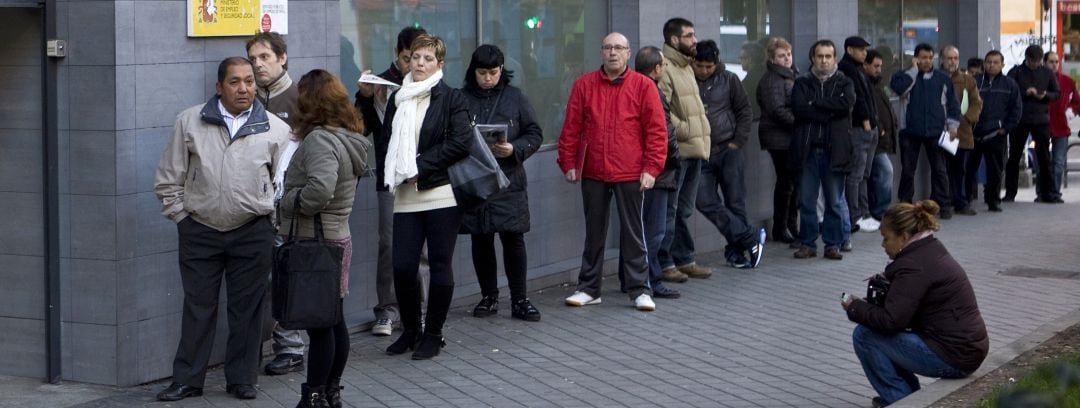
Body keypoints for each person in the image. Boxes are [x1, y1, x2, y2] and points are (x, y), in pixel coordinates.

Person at [153, 57, 291, 401]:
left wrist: (270, 221)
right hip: (199, 228)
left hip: (252, 229)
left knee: (248, 310)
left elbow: (282, 184)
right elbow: (170, 176)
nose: (244, 88)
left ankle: (242, 379)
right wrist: (181, 217)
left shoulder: (274, 128)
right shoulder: (190, 121)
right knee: (198, 307)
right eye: (235, 82)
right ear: (219, 87)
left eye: (249, 81)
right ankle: (187, 380)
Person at [278, 69, 370, 408]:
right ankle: (331, 391)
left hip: (317, 243)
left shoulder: (319, 140)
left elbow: (320, 190)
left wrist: (287, 200)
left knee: (320, 325)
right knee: (333, 320)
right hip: (337, 239)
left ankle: (314, 395)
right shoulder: (346, 136)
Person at [378, 34, 472, 361]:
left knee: (440, 265)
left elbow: (461, 143)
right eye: (415, 57)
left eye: (428, 59)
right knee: (403, 266)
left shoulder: (451, 98)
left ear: (440, 65)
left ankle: (433, 333)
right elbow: (388, 141)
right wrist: (392, 172)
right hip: (405, 193)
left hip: (441, 192)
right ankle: (411, 330)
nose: (419, 64)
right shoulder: (398, 97)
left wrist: (418, 166)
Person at [557, 32, 667, 311]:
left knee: (633, 232)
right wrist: (568, 162)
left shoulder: (643, 86)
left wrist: (652, 168)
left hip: (631, 171)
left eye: (618, 48)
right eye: (607, 48)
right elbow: (571, 127)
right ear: (601, 52)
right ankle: (589, 288)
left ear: (629, 53)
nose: (613, 53)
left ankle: (640, 289)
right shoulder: (584, 85)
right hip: (594, 170)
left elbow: (656, 131)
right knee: (594, 232)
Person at [842, 200, 989, 407]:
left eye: (886, 238)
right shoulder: (928, 249)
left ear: (903, 237)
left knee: (865, 336)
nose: (883, 245)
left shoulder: (913, 266)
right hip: (965, 348)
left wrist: (855, 307)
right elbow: (903, 312)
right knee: (881, 335)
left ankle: (901, 401)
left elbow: (892, 321)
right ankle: (909, 395)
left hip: (955, 356)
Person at [459, 44, 545, 321]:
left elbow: (534, 132)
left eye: (493, 73)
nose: (487, 78)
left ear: (501, 71)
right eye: (482, 73)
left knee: (513, 239)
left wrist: (515, 148)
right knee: (481, 239)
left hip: (508, 179)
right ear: (473, 72)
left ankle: (520, 298)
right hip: (476, 180)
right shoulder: (461, 99)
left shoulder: (515, 97)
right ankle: (489, 296)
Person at [355, 26, 429, 337]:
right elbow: (358, 130)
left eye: (421, 58)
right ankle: (387, 310)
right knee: (390, 244)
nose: (415, 64)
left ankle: (420, 310)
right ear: (398, 54)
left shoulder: (431, 84)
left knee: (422, 248)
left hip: (423, 175)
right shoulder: (381, 85)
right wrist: (364, 98)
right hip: (390, 176)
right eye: (408, 57)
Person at [245, 30, 307, 378]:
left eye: (265, 57)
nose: (258, 65)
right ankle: (252, 344)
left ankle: (290, 346)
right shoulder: (248, 97)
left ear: (282, 58)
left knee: (285, 275)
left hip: (287, 203)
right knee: (256, 276)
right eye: (253, 59)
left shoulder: (300, 98)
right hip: (251, 201)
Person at [693, 39, 764, 268]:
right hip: (701, 153)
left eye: (708, 66)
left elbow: (744, 110)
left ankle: (737, 253)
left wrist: (738, 142)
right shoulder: (689, 80)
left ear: (716, 63)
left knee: (735, 202)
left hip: (728, 149)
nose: (703, 71)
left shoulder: (729, 79)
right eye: (700, 66)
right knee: (704, 201)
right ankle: (750, 237)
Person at [622, 45, 683, 299]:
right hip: (657, 171)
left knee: (639, 230)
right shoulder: (651, 91)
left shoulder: (632, 87)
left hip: (646, 169)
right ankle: (649, 279)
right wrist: (676, 157)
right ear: (657, 68)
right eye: (664, 65)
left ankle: (632, 279)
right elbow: (663, 132)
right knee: (653, 231)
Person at [657, 17, 713, 281]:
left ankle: (685, 259)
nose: (695, 40)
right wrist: (689, 130)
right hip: (679, 152)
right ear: (674, 39)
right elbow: (661, 111)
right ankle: (666, 263)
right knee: (670, 211)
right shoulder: (665, 67)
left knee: (685, 210)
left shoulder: (687, 66)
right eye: (689, 36)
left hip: (695, 151)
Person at [791, 39, 855, 261]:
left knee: (834, 201)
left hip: (834, 151)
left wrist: (815, 104)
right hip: (808, 150)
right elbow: (799, 109)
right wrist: (828, 108)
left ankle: (832, 244)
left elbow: (845, 104)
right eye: (820, 56)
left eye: (828, 56)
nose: (824, 60)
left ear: (835, 58)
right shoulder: (802, 83)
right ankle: (808, 244)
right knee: (807, 201)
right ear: (813, 59)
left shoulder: (844, 82)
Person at [890, 43, 960, 218]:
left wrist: (953, 126)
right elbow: (899, 89)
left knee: (939, 169)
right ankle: (905, 205)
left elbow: (953, 104)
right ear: (915, 59)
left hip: (936, 131)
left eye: (930, 58)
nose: (927, 61)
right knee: (908, 170)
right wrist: (913, 71)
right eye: (923, 58)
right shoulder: (904, 76)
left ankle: (943, 205)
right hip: (910, 132)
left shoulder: (943, 79)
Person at [757, 37, 799, 244]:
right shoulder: (773, 80)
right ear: (772, 59)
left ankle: (791, 225)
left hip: (789, 137)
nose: (786, 59)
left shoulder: (790, 75)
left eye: (788, 54)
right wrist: (800, 123)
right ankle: (781, 228)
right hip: (779, 138)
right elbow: (777, 110)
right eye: (781, 56)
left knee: (792, 183)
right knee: (786, 183)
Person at [969, 50, 1022, 213]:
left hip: (996, 134)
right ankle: (965, 199)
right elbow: (964, 104)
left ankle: (993, 200)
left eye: (995, 62)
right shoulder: (975, 82)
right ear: (984, 64)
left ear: (1002, 65)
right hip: (975, 133)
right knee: (969, 168)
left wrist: (1005, 129)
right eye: (989, 62)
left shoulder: (1009, 84)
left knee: (995, 169)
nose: (992, 65)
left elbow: (1016, 109)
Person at [1006, 44, 1060, 203]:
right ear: (1027, 59)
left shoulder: (1047, 73)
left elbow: (1056, 93)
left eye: (1038, 61)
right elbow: (1009, 91)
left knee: (1044, 157)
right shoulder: (1016, 72)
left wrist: (1044, 95)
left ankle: (1047, 193)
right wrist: (1024, 93)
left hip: (1041, 119)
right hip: (1020, 119)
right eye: (1033, 61)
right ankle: (1010, 193)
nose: (1036, 64)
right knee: (1014, 157)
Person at [839, 36, 879, 239]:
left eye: (865, 49)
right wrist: (865, 120)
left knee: (864, 174)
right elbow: (857, 99)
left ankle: (864, 212)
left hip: (869, 128)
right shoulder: (847, 69)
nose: (865, 53)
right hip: (858, 129)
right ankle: (855, 215)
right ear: (849, 50)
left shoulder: (859, 69)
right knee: (856, 175)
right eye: (860, 49)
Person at [942, 45, 984, 216]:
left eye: (955, 58)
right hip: (939, 131)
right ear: (942, 60)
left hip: (961, 132)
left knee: (960, 169)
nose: (952, 61)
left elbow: (977, 103)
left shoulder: (968, 81)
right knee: (941, 169)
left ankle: (961, 201)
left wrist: (967, 119)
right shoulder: (938, 78)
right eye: (949, 58)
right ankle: (943, 199)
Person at [865, 49, 899, 222]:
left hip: (879, 139)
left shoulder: (877, 85)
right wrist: (879, 127)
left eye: (880, 66)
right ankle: (879, 211)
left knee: (880, 174)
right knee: (885, 171)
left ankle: (879, 211)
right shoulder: (865, 85)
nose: (879, 70)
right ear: (866, 65)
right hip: (872, 138)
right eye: (875, 66)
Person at [1045, 51, 1077, 202]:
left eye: (1056, 62)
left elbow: (1077, 101)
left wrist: (1071, 111)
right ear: (1044, 62)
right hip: (1042, 127)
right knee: (1043, 163)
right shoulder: (1040, 80)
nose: (1054, 65)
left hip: (1061, 128)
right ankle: (1042, 193)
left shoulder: (1068, 81)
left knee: (1058, 162)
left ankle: (1055, 193)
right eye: (1051, 61)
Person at [740, 41, 767, 120]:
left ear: (750, 59)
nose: (740, 61)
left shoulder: (750, 81)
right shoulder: (766, 74)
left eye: (742, 58)